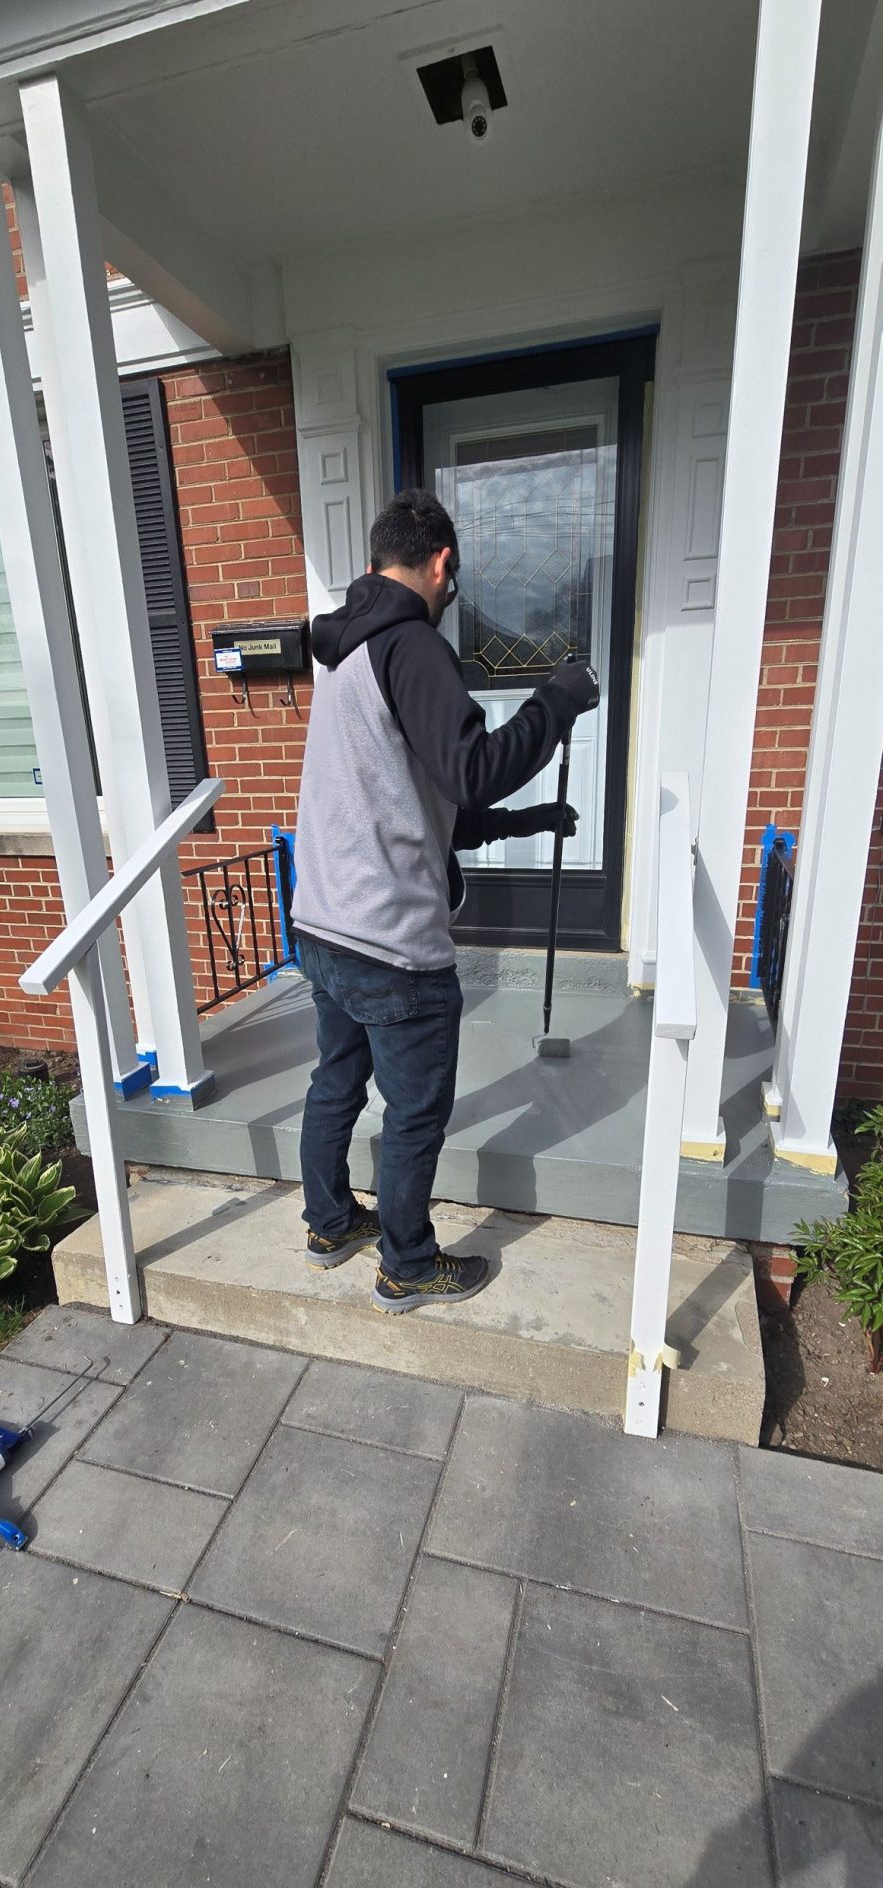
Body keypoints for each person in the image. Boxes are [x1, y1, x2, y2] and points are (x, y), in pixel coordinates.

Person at [292, 488, 600, 1314]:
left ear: (371, 563)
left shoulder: (348, 655)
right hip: (391, 946)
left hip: (324, 926)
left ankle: (328, 1225)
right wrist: (557, 701)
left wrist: (527, 819)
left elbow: (422, 806)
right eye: (453, 576)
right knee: (416, 1112)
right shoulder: (410, 643)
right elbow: (472, 768)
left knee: (336, 1083)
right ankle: (407, 1265)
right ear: (442, 563)